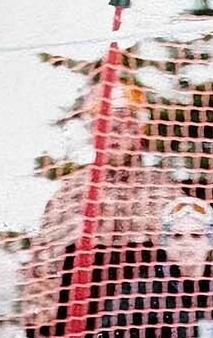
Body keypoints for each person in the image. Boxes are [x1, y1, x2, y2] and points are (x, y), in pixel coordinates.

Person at [24, 86, 180, 337]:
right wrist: (41, 325)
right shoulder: (71, 192)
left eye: (125, 124)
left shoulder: (165, 192)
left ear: (139, 130)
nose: (115, 132)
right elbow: (44, 270)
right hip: (83, 323)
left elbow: (188, 264)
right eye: (106, 124)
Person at [96, 196, 213, 338]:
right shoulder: (139, 292)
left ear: (210, 241)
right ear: (165, 242)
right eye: (177, 236)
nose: (186, 243)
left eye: (196, 235)